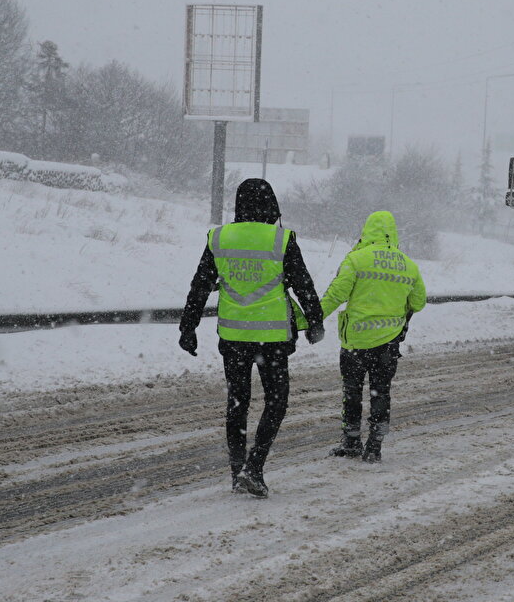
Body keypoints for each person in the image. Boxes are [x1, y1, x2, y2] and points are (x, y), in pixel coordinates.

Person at [178, 178, 325, 498]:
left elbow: (200, 285)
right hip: (271, 339)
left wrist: (187, 328)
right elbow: (304, 285)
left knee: (237, 403)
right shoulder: (281, 239)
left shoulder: (220, 238)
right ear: (271, 205)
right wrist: (315, 321)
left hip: (233, 337)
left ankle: (236, 472)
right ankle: (254, 467)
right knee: (277, 401)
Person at [320, 210, 426, 463]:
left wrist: (310, 320)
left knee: (352, 392)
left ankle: (351, 441)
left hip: (355, 342)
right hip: (388, 344)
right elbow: (419, 302)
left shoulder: (356, 259)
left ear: (367, 231)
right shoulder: (408, 265)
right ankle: (375, 446)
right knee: (381, 392)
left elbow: (336, 295)